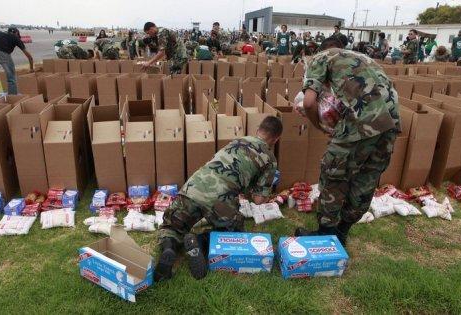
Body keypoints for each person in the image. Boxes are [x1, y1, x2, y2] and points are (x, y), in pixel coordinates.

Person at [294, 37, 400, 246]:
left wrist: (321, 127)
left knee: (333, 175)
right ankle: (342, 232)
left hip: (361, 125)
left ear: (322, 50)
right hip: (390, 125)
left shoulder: (322, 58)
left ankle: (325, 235)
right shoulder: (364, 58)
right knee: (367, 178)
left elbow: (308, 103)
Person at [155, 116, 282, 281]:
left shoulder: (237, 140)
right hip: (220, 201)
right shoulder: (270, 160)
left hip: (192, 188)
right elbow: (258, 200)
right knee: (232, 234)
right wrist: (261, 190)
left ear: (258, 130)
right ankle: (200, 242)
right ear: (276, 138)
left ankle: (169, 248)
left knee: (172, 225)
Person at [0, 27, 34, 100]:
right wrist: (31, 68)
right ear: (16, 33)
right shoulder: (15, 37)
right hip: (2, 52)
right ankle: (12, 99)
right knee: (11, 76)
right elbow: (29, 56)